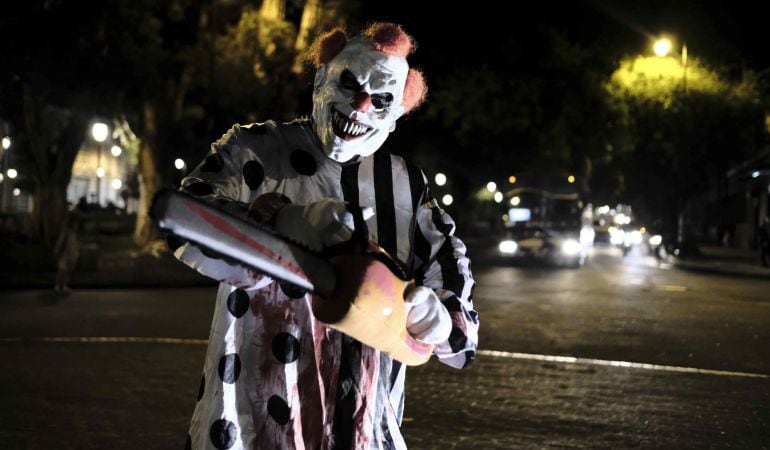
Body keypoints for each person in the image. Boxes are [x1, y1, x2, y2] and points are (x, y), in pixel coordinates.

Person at [173, 22, 478, 449]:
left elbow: (461, 326)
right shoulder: (254, 151)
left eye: (380, 100)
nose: (360, 105)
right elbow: (183, 218)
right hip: (251, 426)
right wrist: (277, 223)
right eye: (350, 83)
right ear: (321, 78)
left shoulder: (406, 186)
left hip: (366, 432)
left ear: (395, 115)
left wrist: (440, 320)